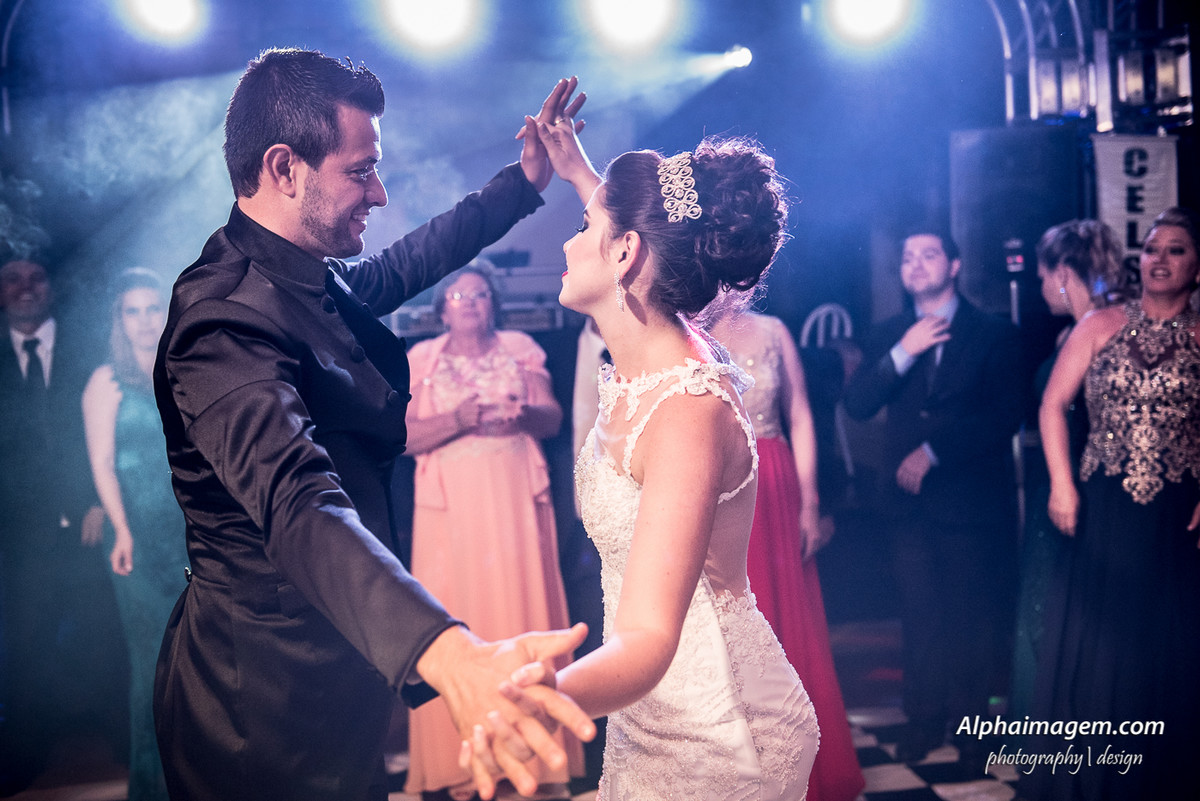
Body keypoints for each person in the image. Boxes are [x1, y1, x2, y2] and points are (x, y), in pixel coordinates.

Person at [152, 49, 595, 801]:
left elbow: (405, 265)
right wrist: (449, 655)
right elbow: (299, 502)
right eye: (360, 172)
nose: (379, 192)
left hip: (339, 663)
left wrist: (521, 186)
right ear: (285, 167)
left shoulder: (305, 271)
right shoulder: (221, 319)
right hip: (258, 702)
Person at [481, 118, 820, 798]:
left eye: (583, 225)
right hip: (652, 718)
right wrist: (579, 169)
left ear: (626, 253)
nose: (570, 241)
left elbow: (645, 638)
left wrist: (541, 693)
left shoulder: (687, 413)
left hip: (720, 732)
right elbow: (635, 224)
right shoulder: (650, 363)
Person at [1026, 207, 1200, 799]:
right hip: (1103, 502)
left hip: (1177, 510)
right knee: (1104, 639)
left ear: (1195, 266)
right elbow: (1052, 405)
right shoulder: (1100, 325)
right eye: (1151, 248)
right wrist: (1061, 485)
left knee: (1167, 639)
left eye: (1175, 250)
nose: (1159, 259)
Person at [842, 228, 1023, 769]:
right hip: (907, 508)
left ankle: (973, 732)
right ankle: (922, 723)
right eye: (907, 257)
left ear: (955, 264)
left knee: (971, 618)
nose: (916, 265)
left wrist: (934, 451)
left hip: (968, 501)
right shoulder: (888, 333)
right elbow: (857, 404)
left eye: (928, 255)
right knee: (918, 616)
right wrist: (904, 352)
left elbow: (1004, 415)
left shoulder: (994, 333)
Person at [404, 263, 579, 801]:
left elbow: (552, 416)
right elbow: (406, 438)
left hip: (512, 501)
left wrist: (521, 414)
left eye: (480, 294)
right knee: (457, 611)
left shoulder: (520, 346)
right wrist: (458, 418)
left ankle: (538, 755)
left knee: (520, 605)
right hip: (449, 510)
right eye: (458, 294)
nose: (470, 302)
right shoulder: (421, 358)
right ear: (441, 307)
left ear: (493, 304)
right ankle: (457, 758)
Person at [710, 311, 864, 801]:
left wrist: (812, 502)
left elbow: (799, 415)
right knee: (729, 629)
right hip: (716, 484)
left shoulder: (773, 331)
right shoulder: (684, 323)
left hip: (775, 483)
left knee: (788, 624)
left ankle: (805, 771)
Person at [0, 257, 124, 794]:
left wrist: (98, 501)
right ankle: (25, 756)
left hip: (89, 523)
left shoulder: (88, 353)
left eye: (36, 278)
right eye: (13, 279)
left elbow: (111, 433)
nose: (25, 288)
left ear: (51, 287)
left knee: (104, 637)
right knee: (22, 646)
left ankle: (127, 748)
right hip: (17, 534)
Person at [1008, 220, 1123, 722]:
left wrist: (1063, 485)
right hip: (1054, 483)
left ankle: (1063, 731)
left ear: (1061, 273)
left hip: (1076, 484)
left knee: (1056, 610)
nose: (1039, 287)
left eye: (1041, 275)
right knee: (1044, 606)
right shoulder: (1070, 334)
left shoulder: (1104, 330)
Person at [81, 268, 188, 801]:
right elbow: (101, 462)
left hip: (190, 536)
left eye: (152, 309)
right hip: (137, 541)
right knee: (153, 666)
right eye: (133, 311)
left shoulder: (184, 369)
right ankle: (152, 789)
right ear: (119, 321)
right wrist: (120, 530)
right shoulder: (106, 381)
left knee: (198, 664)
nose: (145, 321)